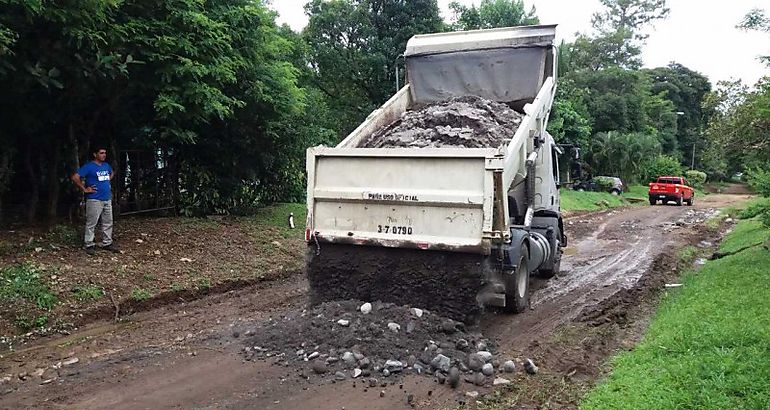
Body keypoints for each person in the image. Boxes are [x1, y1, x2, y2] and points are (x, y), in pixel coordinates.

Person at [70, 147, 119, 255]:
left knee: (108, 221)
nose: (104, 155)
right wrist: (84, 189)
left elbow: (111, 173)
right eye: (101, 153)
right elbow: (75, 177)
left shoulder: (106, 165)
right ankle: (89, 244)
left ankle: (107, 242)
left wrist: (106, 182)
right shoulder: (89, 166)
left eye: (105, 153)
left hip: (107, 198)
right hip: (94, 199)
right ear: (95, 154)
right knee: (92, 222)